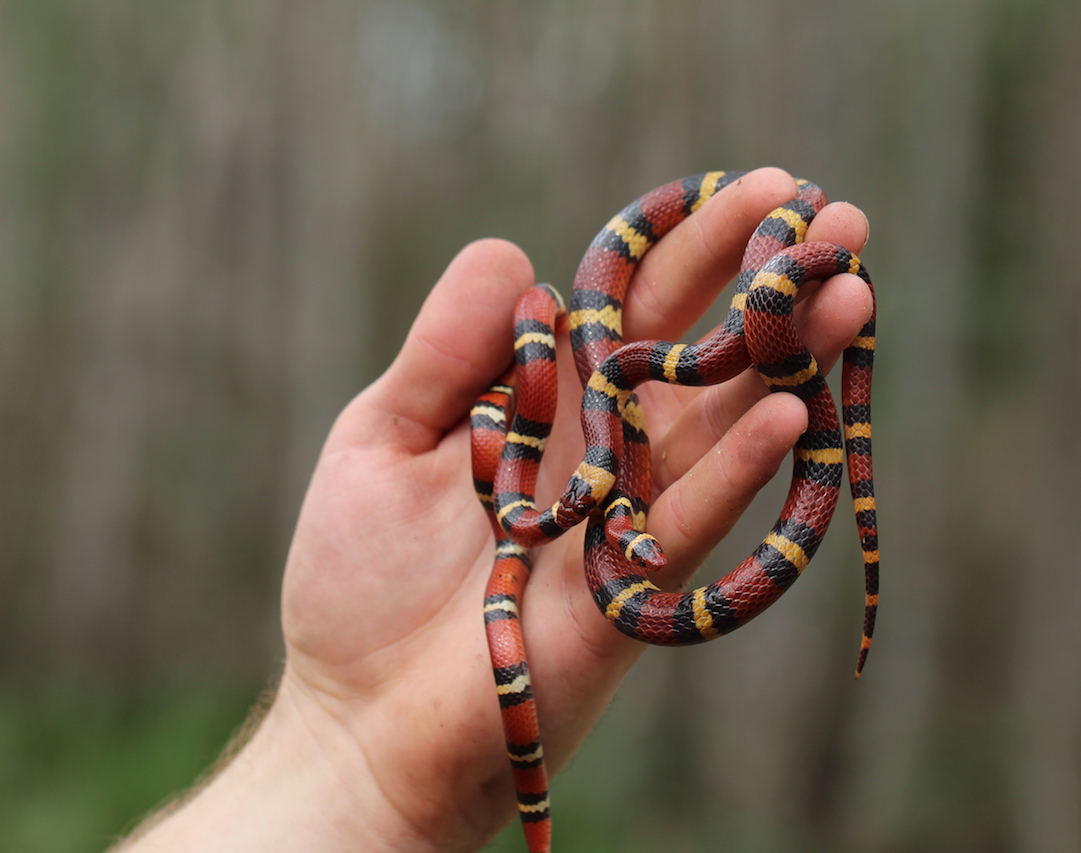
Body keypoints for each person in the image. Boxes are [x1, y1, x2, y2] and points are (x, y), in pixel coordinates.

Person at [111, 167, 872, 853]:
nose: (643, 551)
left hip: (627, 398)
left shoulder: (612, 422)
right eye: (638, 545)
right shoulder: (590, 459)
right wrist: (342, 749)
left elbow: (606, 388)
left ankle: (797, 229)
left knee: (784, 293)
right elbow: (560, 366)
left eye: (631, 545)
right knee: (753, 345)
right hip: (577, 445)